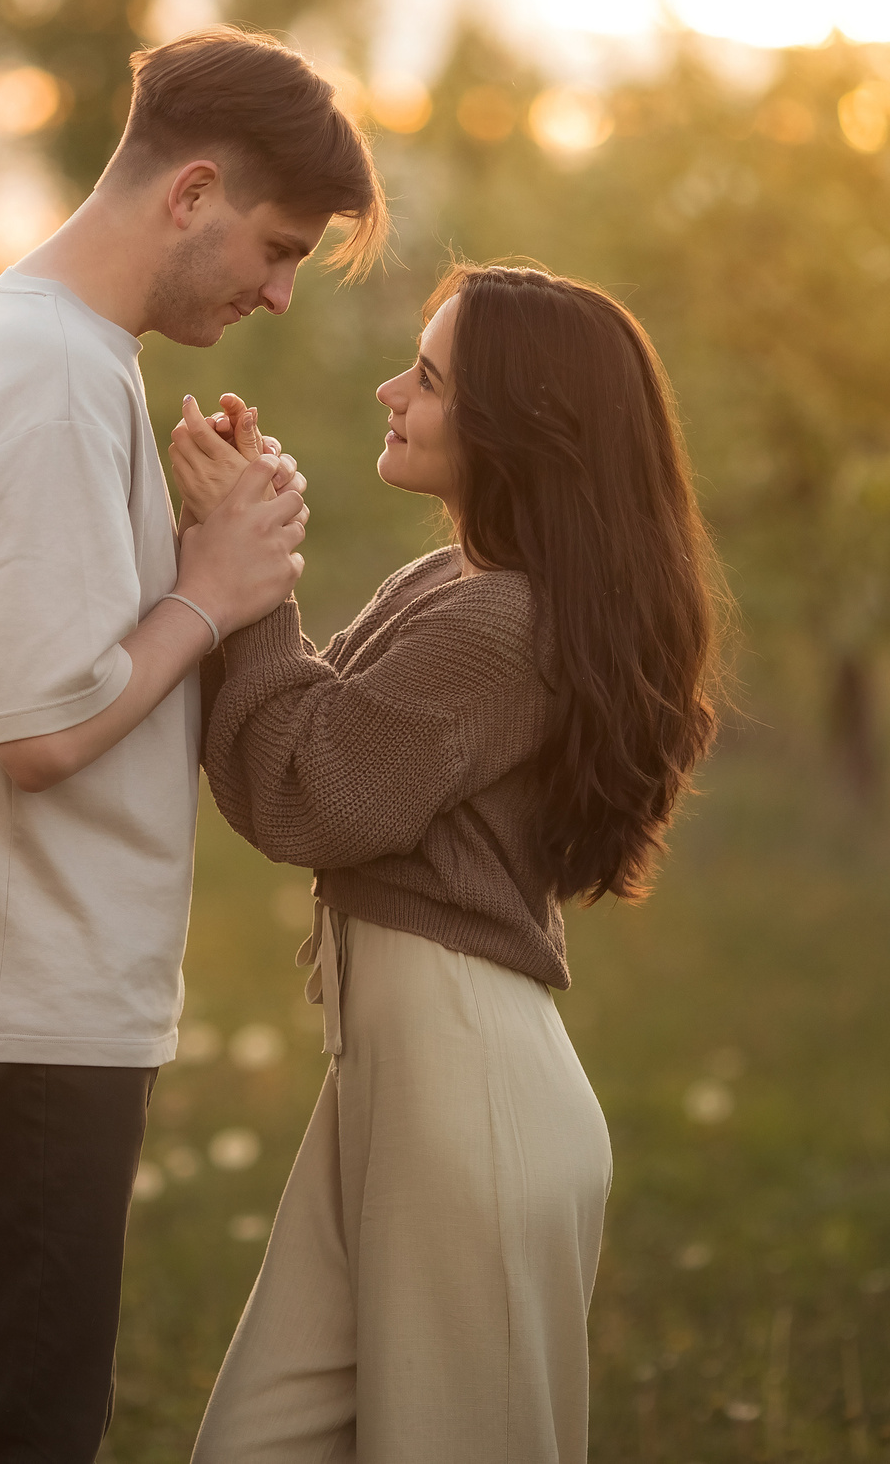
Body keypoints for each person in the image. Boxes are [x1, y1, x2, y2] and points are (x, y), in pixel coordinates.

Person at [0, 27, 388, 1464]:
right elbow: (49, 722)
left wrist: (208, 547)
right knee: (21, 1436)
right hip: (20, 996)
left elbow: (71, 666)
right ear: (190, 191)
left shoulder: (48, 353)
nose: (272, 289)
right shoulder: (58, 381)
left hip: (0, 982)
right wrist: (219, 585)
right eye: (274, 246)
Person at [173, 263, 729, 1463]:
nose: (390, 390)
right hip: (396, 1086)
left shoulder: (502, 628)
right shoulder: (459, 585)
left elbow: (309, 790)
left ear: (518, 428)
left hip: (463, 1097)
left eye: (425, 378)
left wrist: (249, 570)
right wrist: (240, 549)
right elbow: (316, 730)